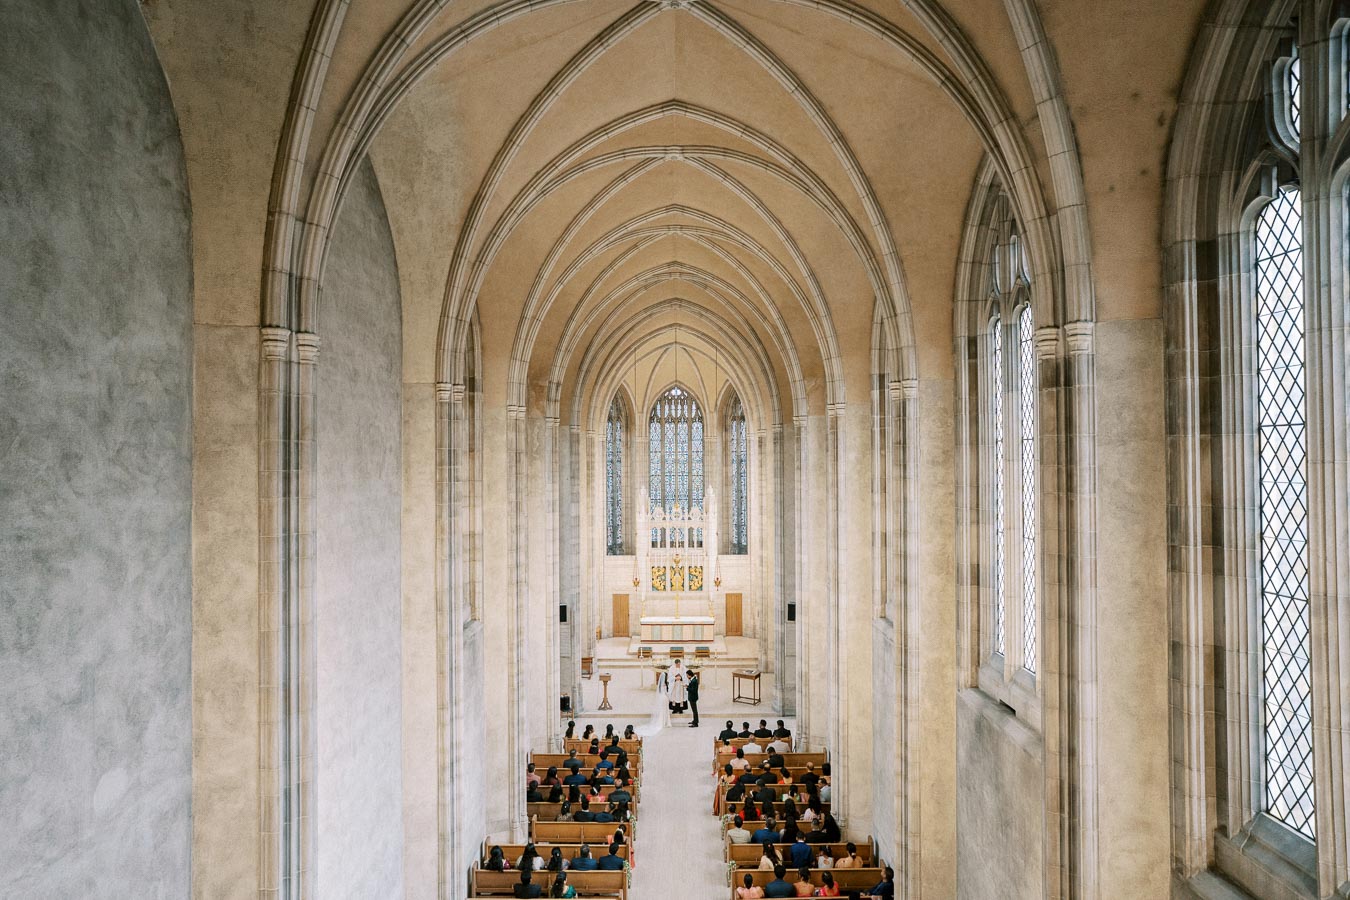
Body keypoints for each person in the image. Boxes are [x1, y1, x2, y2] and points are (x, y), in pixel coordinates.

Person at [635, 667, 672, 736]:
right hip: (664, 698)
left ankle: (662, 721)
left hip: (662, 698)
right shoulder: (664, 685)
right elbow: (666, 692)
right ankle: (665, 722)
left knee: (662, 710)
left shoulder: (661, 685)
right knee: (665, 710)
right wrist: (670, 698)